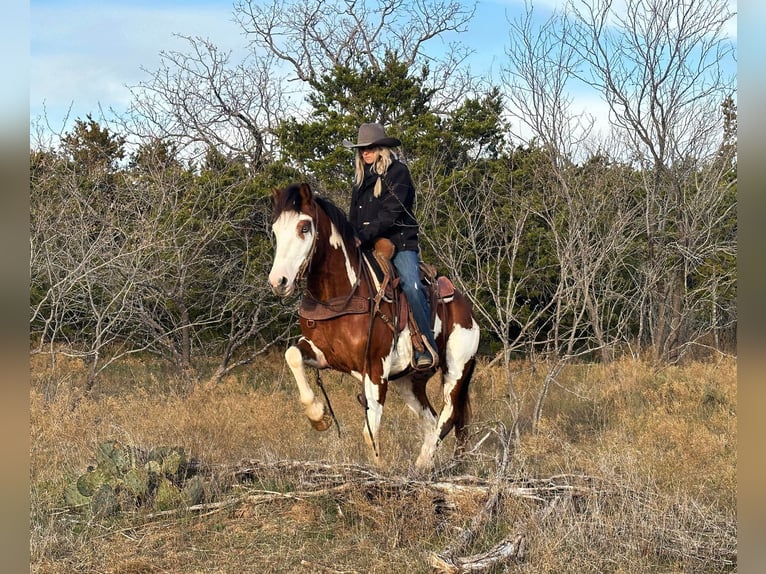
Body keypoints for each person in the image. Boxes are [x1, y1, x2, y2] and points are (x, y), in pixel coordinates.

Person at [343, 122, 438, 370]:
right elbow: (353, 217)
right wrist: (350, 236)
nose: (365, 153)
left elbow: (391, 213)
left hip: (400, 242)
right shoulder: (360, 181)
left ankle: (426, 345)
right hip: (367, 243)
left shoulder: (398, 173)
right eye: (361, 149)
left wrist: (362, 236)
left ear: (382, 148)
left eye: (370, 147)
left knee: (411, 284)